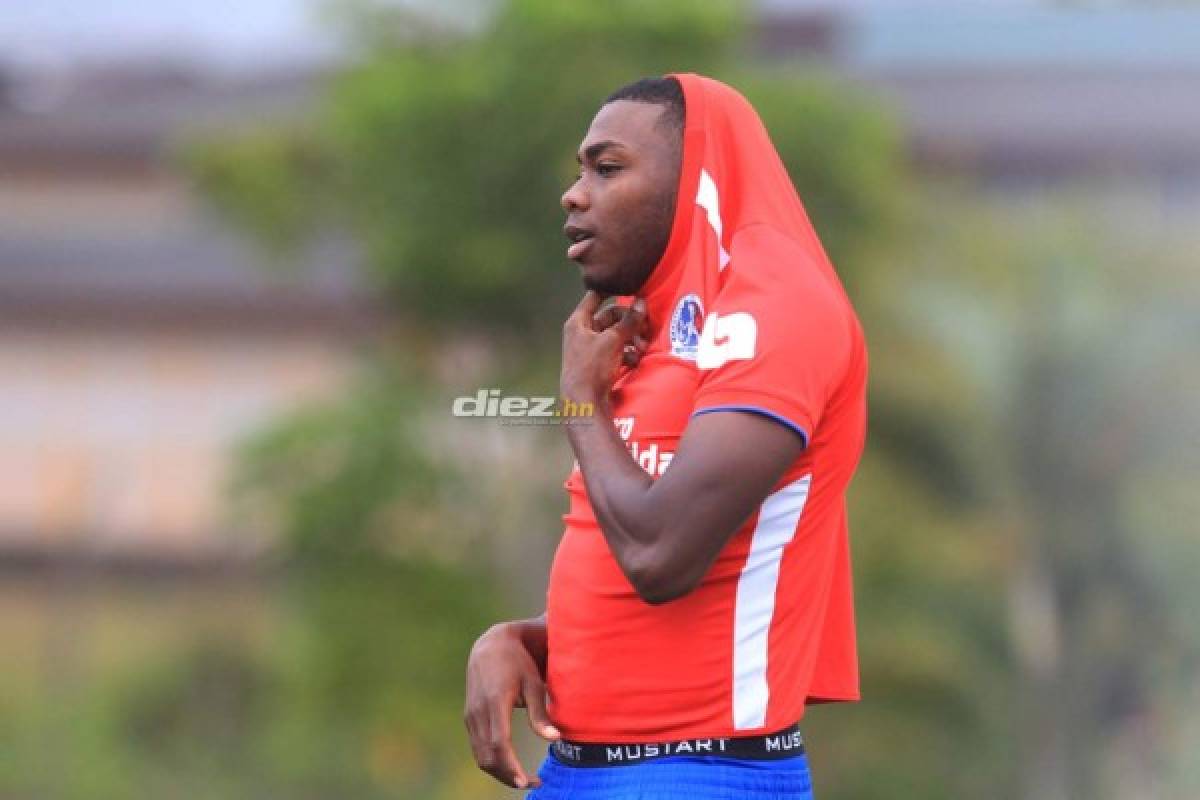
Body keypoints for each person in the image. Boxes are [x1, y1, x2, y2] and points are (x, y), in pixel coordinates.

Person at [464, 73, 867, 799]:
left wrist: (580, 402)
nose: (574, 192)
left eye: (607, 167)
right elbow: (633, 554)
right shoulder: (650, 332)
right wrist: (528, 638)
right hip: (584, 770)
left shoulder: (778, 305)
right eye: (579, 169)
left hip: (700, 771)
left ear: (696, 180)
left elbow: (661, 554)